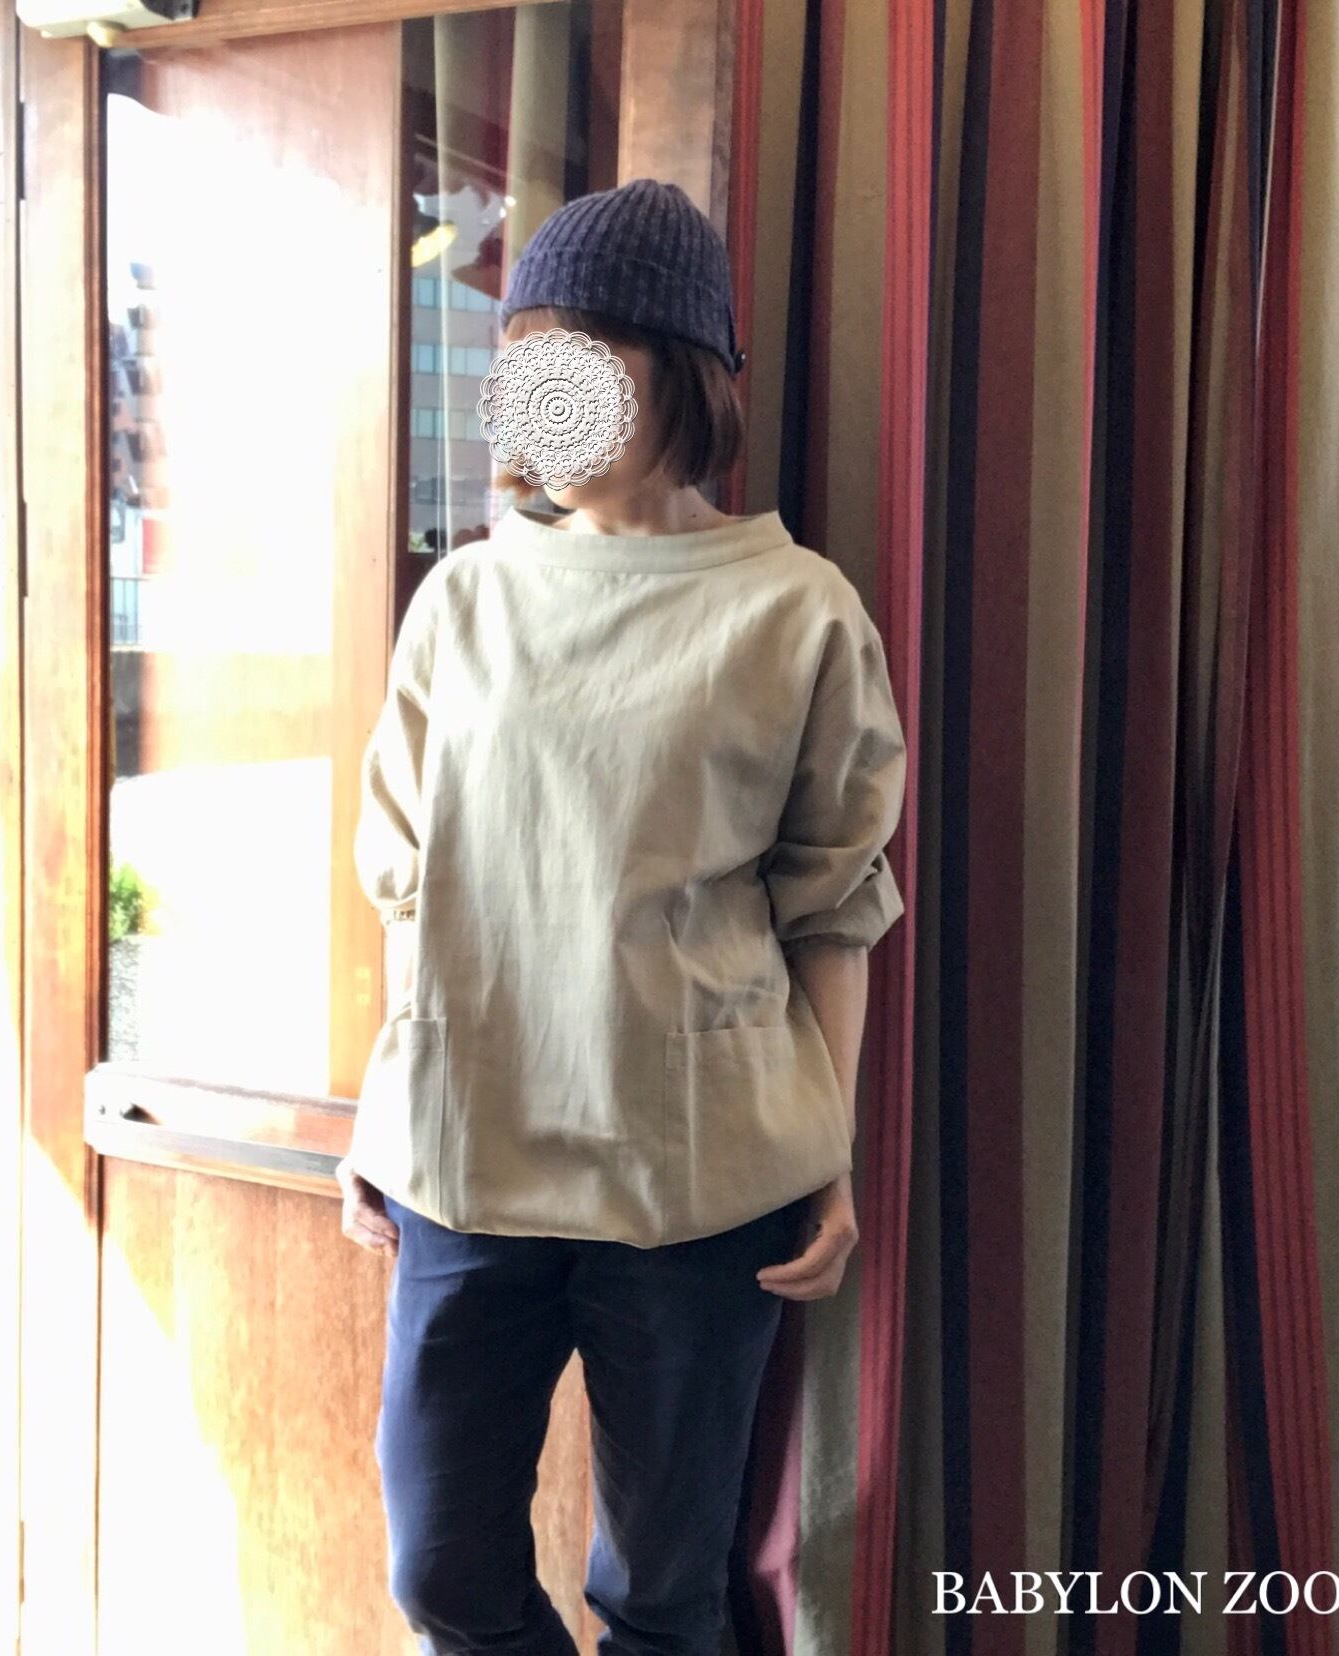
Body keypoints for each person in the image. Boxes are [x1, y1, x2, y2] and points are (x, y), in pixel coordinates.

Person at [336, 177, 907, 1656]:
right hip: (467, 1158)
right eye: (522, 362)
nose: (540, 399)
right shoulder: (464, 599)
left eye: (577, 361)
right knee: (441, 1570)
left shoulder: (796, 609)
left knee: (662, 1598)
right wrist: (381, 1112)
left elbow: (833, 903)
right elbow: (410, 876)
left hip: (699, 1181)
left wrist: (830, 1153)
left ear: (681, 373)